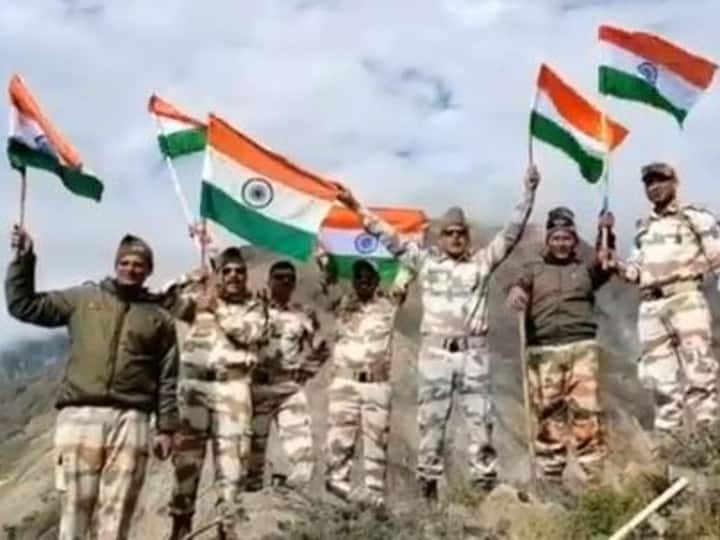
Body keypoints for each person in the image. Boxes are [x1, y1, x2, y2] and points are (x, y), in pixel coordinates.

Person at [337, 165, 540, 500]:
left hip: (473, 353)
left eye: (461, 232)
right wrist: (355, 207)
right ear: (441, 236)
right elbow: (387, 236)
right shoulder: (426, 262)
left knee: (482, 423)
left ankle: (484, 491)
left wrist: (528, 193)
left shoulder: (481, 263)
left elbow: (511, 232)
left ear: (468, 236)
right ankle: (427, 488)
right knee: (431, 424)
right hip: (435, 354)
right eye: (449, 233)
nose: (456, 238)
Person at [5, 227, 178, 540]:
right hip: (80, 414)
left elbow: (168, 375)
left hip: (132, 419)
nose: (131, 268)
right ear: (116, 264)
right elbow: (23, 306)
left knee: (119, 508)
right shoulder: (81, 299)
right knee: (75, 507)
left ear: (149, 270)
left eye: (139, 264)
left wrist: (166, 427)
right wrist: (23, 260)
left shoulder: (159, 318)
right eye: (125, 262)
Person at [609, 162, 720, 449]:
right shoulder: (643, 228)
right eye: (649, 183)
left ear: (674, 182)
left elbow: (717, 256)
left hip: (685, 298)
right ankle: (671, 451)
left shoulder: (694, 217)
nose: (654, 187)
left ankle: (709, 444)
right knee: (661, 383)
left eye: (660, 180)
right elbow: (635, 271)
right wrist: (615, 265)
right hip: (651, 307)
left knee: (700, 373)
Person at [165, 247, 269, 540]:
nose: (234, 276)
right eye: (227, 271)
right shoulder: (197, 302)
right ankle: (181, 525)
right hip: (194, 390)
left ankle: (227, 527)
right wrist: (190, 278)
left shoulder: (255, 306)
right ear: (218, 275)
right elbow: (164, 298)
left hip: (232, 390)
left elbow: (250, 334)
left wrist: (218, 309)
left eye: (239, 271)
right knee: (186, 465)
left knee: (232, 467)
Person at [507, 207, 614, 487]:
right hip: (542, 351)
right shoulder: (532, 269)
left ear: (574, 240)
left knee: (586, 413)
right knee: (548, 414)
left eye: (567, 237)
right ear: (548, 239)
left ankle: (595, 480)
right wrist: (517, 291)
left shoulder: (585, 269)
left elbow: (606, 265)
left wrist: (608, 233)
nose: (561, 243)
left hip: (581, 349)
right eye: (556, 238)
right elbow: (518, 285)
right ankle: (550, 479)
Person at [317, 253, 412, 507]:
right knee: (336, 460)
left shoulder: (388, 305)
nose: (364, 281)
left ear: (377, 280)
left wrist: (412, 243)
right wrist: (324, 257)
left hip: (376, 387)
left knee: (376, 454)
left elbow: (407, 271)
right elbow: (328, 276)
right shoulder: (342, 304)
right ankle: (346, 507)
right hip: (344, 386)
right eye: (358, 276)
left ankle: (372, 514)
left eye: (369, 276)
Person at [245, 260, 328, 493]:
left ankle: (287, 500)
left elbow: (323, 346)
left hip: (288, 391)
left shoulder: (302, 315)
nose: (284, 282)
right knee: (251, 462)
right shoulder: (253, 311)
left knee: (303, 457)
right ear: (269, 281)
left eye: (289, 278)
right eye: (279, 277)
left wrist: (307, 371)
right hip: (257, 391)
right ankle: (249, 515)